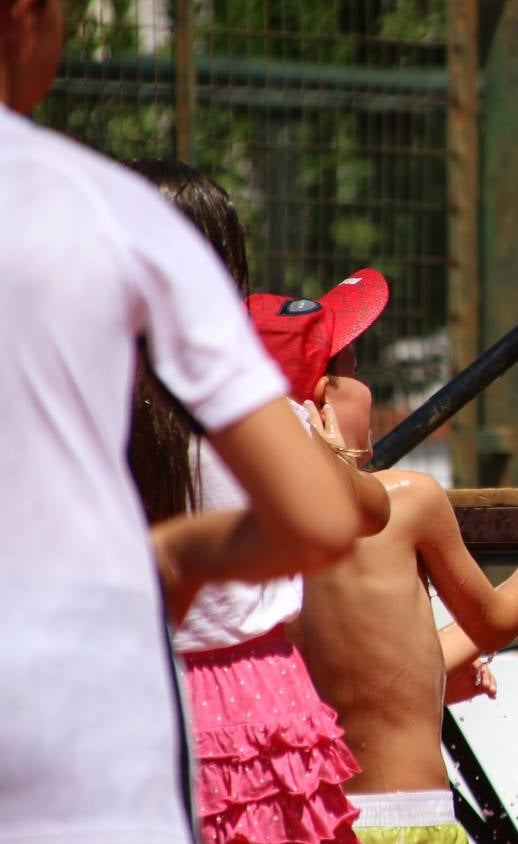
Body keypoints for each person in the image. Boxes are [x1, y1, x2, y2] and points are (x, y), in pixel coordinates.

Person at [0, 0, 387, 841]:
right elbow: (320, 516)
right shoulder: (108, 216)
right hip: (94, 723)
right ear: (28, 8)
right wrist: (175, 559)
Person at [246, 276, 518, 844]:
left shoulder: (262, 532)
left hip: (320, 823)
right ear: (318, 402)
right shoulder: (407, 502)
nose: (371, 389)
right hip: (413, 821)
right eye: (355, 368)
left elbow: (380, 673)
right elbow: (498, 618)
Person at [127, 160, 389, 844]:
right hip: (259, 699)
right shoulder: (256, 411)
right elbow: (362, 514)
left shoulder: (85, 405)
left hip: (125, 692)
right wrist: (336, 455)